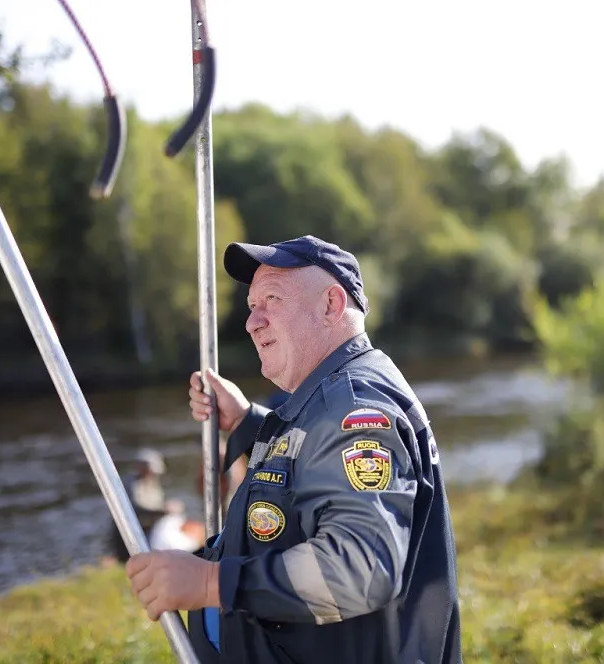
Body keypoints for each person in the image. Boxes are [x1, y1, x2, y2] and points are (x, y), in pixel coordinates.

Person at [125, 235, 462, 663]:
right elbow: (312, 456)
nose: (252, 322)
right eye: (251, 306)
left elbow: (360, 569)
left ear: (331, 305)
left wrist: (211, 584)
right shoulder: (329, 397)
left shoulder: (355, 408)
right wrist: (247, 421)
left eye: (272, 299)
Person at [108, 447, 169, 563]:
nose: (152, 474)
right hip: (129, 534)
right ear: (140, 467)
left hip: (149, 529)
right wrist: (163, 510)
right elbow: (137, 508)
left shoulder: (153, 482)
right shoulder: (130, 484)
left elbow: (157, 502)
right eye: (149, 470)